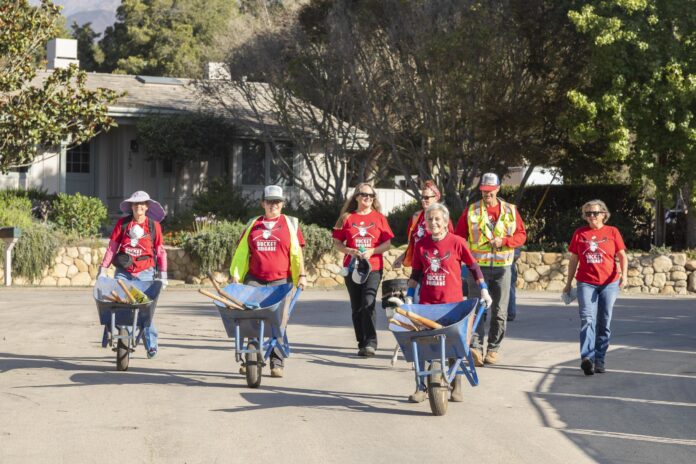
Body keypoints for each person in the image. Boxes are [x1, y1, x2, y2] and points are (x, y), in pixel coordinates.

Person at [406, 203, 492, 403]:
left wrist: (484, 290)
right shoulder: (421, 244)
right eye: (429, 219)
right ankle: (421, 387)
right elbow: (416, 274)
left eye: (437, 219)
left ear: (446, 222)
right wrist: (410, 294)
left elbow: (473, 267)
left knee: (455, 343)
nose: (433, 222)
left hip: (453, 304)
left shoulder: (457, 242)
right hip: (427, 304)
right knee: (422, 345)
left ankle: (456, 384)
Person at [230, 185, 307, 378]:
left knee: (279, 322)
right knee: (251, 317)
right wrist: (236, 276)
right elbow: (242, 252)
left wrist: (302, 275)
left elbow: (297, 252)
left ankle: (276, 361)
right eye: (269, 201)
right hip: (255, 279)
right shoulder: (253, 224)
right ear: (263, 203)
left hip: (281, 281)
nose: (273, 205)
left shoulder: (291, 224)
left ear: (282, 203)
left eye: (277, 201)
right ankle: (251, 357)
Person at [454, 172, 526, 366]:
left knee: (500, 312)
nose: (487, 194)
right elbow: (459, 237)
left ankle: (493, 349)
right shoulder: (471, 211)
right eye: (484, 191)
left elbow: (521, 236)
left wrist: (503, 241)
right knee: (476, 309)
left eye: (490, 191)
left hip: (503, 267)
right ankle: (476, 348)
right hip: (477, 269)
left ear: (498, 189)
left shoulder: (511, 211)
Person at [98, 191, 168, 358]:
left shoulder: (153, 226)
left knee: (146, 309)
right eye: (136, 204)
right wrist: (103, 269)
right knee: (118, 306)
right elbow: (112, 248)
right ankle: (115, 335)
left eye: (142, 204)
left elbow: (160, 251)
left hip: (145, 273)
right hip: (124, 272)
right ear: (131, 206)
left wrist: (163, 275)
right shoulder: (123, 224)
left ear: (147, 207)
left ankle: (151, 343)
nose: (139, 206)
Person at [562, 199, 627, 375]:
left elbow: (622, 255)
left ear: (604, 214)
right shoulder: (580, 233)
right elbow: (574, 259)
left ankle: (600, 360)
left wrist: (625, 276)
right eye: (588, 214)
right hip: (586, 282)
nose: (591, 217)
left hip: (609, 283)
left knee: (604, 322)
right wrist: (568, 283)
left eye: (595, 213)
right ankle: (587, 359)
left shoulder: (612, 232)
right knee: (587, 319)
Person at [333, 183, 394, 356]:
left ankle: (370, 343)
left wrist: (372, 251)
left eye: (371, 195)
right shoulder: (346, 218)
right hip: (352, 267)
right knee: (357, 307)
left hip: (373, 267)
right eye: (364, 195)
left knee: (368, 303)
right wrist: (349, 250)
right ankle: (361, 342)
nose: (368, 198)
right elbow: (337, 242)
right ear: (357, 197)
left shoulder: (380, 218)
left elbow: (388, 244)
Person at [393, 180, 454, 270]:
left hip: (435, 266)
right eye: (422, 197)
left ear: (436, 197)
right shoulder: (416, 217)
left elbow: (451, 243)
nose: (423, 200)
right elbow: (413, 243)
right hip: (417, 266)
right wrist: (401, 257)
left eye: (426, 197)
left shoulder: (444, 219)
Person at [507, 247, 522, 321]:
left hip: (508, 264)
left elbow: (516, 254)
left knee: (510, 290)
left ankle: (510, 313)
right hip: (507, 262)